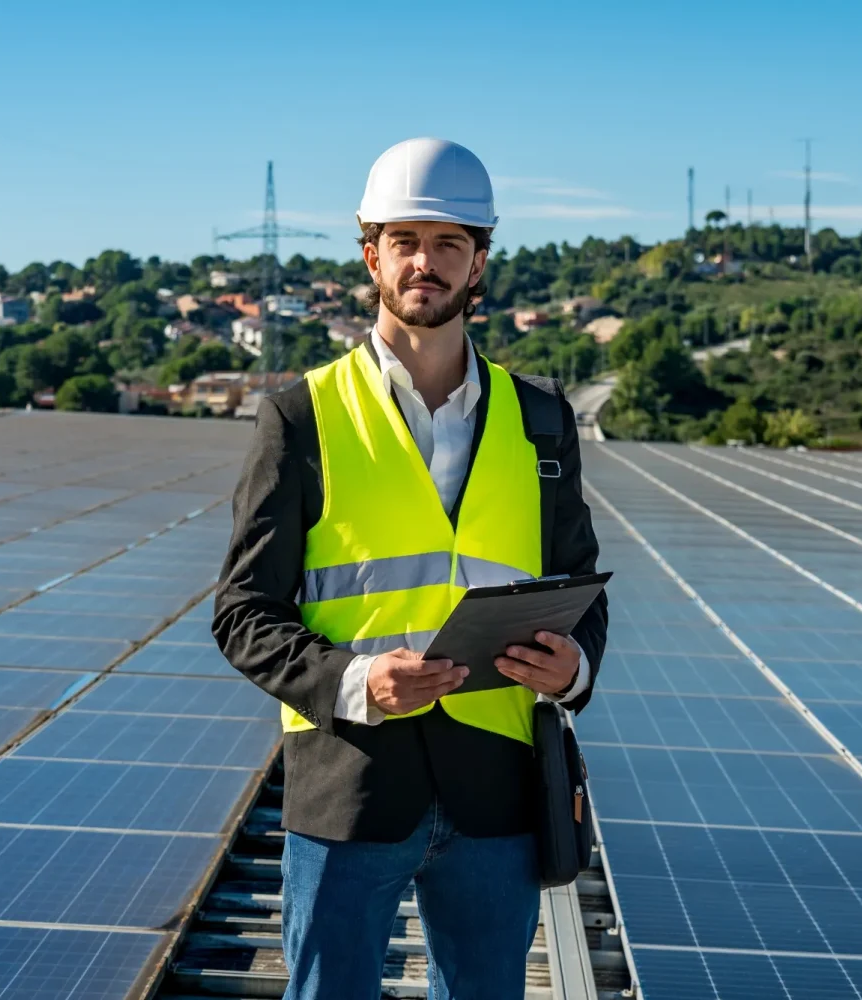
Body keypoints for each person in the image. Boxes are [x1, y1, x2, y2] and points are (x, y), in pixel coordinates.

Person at [213, 137, 608, 1000]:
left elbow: (582, 586)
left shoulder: (541, 421)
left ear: (479, 264)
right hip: (350, 784)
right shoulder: (302, 415)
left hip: (496, 792)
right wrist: (356, 681)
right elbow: (243, 613)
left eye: (450, 243)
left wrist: (574, 669)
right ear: (372, 256)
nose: (425, 262)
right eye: (405, 241)